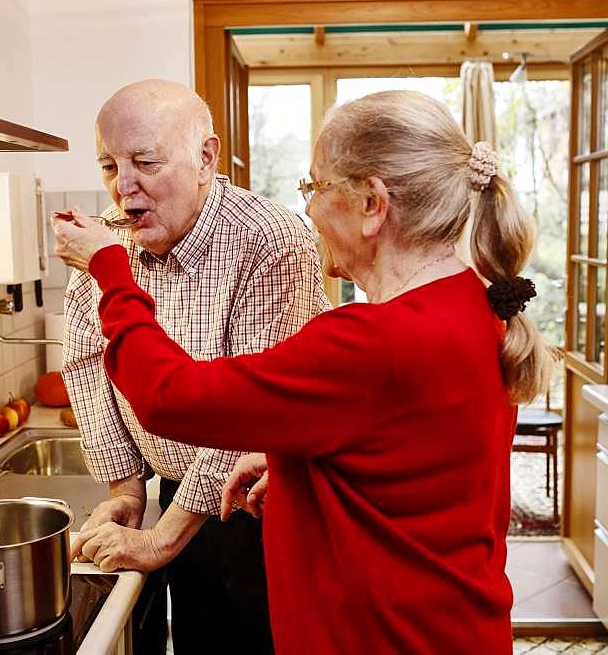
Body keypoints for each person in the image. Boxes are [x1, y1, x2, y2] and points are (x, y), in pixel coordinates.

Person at [55, 89, 550, 653]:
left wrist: (108, 271)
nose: (309, 209)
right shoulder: (471, 303)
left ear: (372, 203)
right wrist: (293, 464)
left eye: (315, 188)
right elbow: (406, 458)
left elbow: (169, 397)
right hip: (448, 627)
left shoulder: (369, 344)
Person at [59, 78, 329, 655]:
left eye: (144, 162)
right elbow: (86, 362)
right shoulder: (108, 241)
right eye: (108, 165)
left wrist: (160, 541)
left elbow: (252, 415)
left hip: (266, 506)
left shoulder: (271, 240)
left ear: (205, 157)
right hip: (179, 493)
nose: (122, 187)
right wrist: (129, 492)